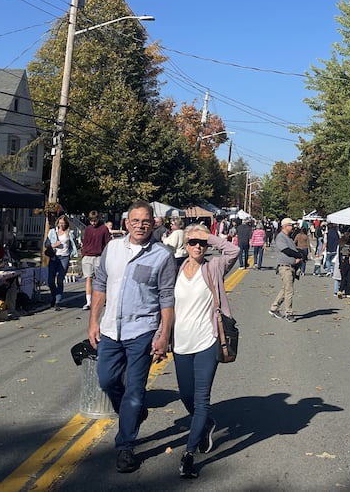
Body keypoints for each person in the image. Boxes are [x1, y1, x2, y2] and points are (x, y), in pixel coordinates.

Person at [89, 201, 175, 474]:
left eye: (145, 221)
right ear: (127, 223)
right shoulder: (112, 249)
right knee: (106, 380)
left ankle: (125, 446)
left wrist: (163, 335)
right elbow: (100, 284)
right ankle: (134, 413)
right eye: (135, 221)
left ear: (154, 223)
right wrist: (93, 321)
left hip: (142, 331)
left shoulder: (163, 256)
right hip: (111, 330)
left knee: (135, 392)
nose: (140, 226)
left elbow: (167, 299)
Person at [172, 223, 239, 478]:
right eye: (193, 242)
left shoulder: (213, 267)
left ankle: (188, 454)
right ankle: (207, 424)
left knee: (201, 400)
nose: (198, 247)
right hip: (180, 343)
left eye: (202, 243)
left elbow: (233, 251)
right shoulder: (176, 269)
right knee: (185, 396)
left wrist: (209, 236)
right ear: (186, 244)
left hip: (207, 341)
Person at [268, 218, 306, 322]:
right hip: (285, 267)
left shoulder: (288, 237)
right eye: (291, 225)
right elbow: (286, 250)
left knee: (285, 289)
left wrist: (300, 255)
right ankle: (288, 313)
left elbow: (292, 250)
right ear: (285, 226)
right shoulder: (281, 237)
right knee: (289, 290)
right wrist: (298, 254)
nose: (293, 227)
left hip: (291, 266)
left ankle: (274, 308)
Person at [80, 211, 112, 311]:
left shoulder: (103, 229)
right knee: (88, 278)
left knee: (100, 280)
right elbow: (85, 242)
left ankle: (102, 299)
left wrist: (106, 256)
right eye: (91, 221)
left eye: (95, 220)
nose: (93, 223)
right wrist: (84, 254)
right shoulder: (88, 229)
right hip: (88, 256)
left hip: (99, 256)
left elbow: (107, 243)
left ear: (98, 219)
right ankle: (88, 301)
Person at [45, 215, 78, 310]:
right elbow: (46, 244)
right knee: (50, 280)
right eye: (60, 223)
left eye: (63, 223)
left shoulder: (70, 233)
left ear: (66, 223)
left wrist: (72, 254)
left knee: (60, 279)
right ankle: (54, 296)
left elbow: (73, 244)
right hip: (54, 257)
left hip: (64, 257)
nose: (61, 225)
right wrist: (53, 245)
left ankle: (58, 301)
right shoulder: (52, 232)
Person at [337, 231, 350, 298]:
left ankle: (340, 290)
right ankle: (348, 292)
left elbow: (340, 255)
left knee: (343, 277)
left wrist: (340, 264)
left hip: (343, 263)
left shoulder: (341, 245)